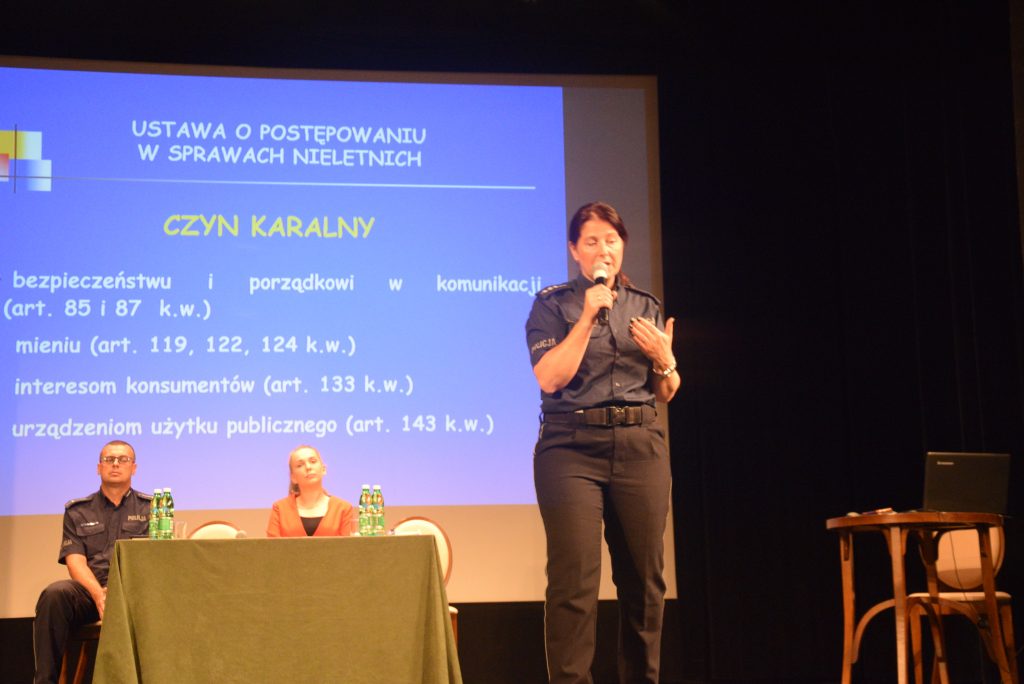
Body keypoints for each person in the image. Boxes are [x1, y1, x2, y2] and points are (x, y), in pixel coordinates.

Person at [526, 201, 680, 684]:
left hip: (639, 446)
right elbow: (551, 378)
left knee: (645, 583)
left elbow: (666, 391)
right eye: (591, 241)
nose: (603, 250)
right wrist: (588, 316)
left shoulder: (646, 306)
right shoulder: (552, 305)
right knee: (574, 584)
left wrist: (665, 360)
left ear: (622, 247)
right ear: (575, 250)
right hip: (571, 448)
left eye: (611, 241)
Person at [33, 440, 151, 684]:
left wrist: (121, 594)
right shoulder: (78, 511)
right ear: (99, 467)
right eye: (109, 459)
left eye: (123, 459)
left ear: (134, 468)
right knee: (54, 594)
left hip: (135, 594)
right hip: (91, 592)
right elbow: (75, 561)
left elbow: (155, 561)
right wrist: (99, 595)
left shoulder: (151, 509)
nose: (115, 464)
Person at [266, 445, 358, 537]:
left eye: (313, 461)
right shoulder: (280, 509)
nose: (308, 467)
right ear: (293, 477)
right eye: (300, 465)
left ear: (323, 469)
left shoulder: (343, 509)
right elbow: (272, 545)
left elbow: (348, 546)